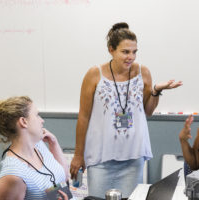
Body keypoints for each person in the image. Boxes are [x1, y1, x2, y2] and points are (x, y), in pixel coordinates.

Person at [69, 22, 182, 198]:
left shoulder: (142, 72)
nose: (131, 57)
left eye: (134, 52)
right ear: (111, 50)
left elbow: (148, 111)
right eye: (125, 52)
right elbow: (83, 117)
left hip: (132, 156)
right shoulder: (94, 74)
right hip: (101, 157)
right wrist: (78, 155)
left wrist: (156, 91)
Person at [0, 96, 72, 200]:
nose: (42, 120)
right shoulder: (13, 174)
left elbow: (63, 177)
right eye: (37, 115)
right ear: (23, 121)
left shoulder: (38, 145)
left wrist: (54, 143)